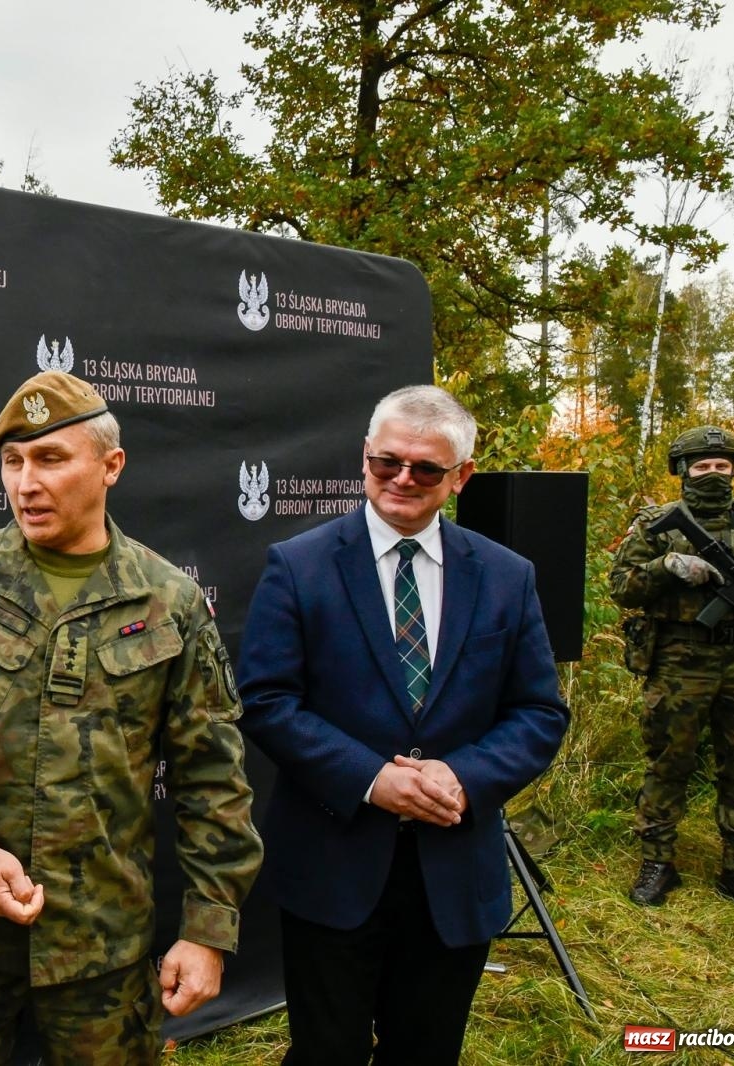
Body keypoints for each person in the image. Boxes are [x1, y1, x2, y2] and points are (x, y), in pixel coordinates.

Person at [0, 371, 262, 1065]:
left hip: (103, 949)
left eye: (51, 459)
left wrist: (207, 931)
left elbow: (213, 779)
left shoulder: (167, 601)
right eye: (13, 462)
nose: (27, 483)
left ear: (111, 466)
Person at [236, 384, 569, 1066]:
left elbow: (539, 712)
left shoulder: (508, 577)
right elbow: (266, 700)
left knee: (427, 1050)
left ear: (462, 476)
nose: (402, 480)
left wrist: (463, 773)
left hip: (455, 872)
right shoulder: (297, 567)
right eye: (387, 463)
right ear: (364, 458)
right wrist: (370, 778)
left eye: (426, 469)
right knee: (326, 1051)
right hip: (333, 866)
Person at [610, 425, 734, 915]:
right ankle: (657, 865)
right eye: (702, 465)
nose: (713, 473)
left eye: (722, 465)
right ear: (683, 471)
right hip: (679, 661)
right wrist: (665, 566)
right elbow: (621, 588)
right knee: (669, 764)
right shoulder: (658, 524)